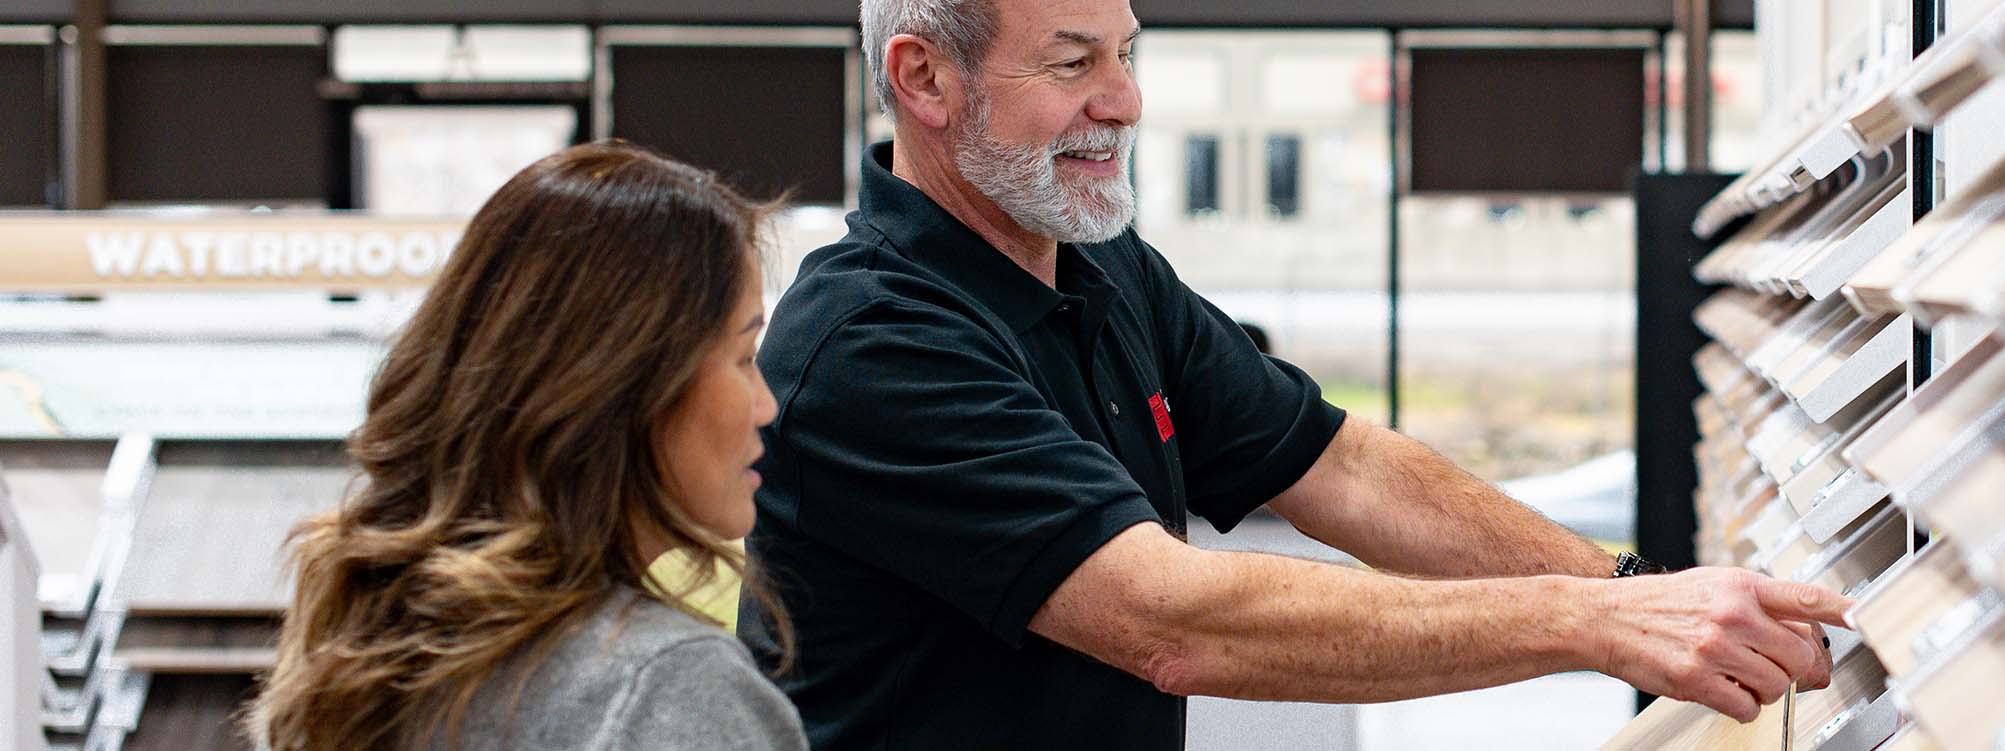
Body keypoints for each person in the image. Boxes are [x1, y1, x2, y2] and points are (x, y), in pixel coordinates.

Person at [740, 0, 1857, 747]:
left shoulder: (1105, 268)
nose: (1122, 102)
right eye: (1072, 63)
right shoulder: (873, 339)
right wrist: (1587, 623)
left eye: (1127, 56)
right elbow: (1168, 621)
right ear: (923, 78)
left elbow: (1340, 464)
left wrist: (1628, 595)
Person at [247, 142, 807, 751]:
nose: (766, 406)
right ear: (626, 381)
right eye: (743, 357)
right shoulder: (668, 690)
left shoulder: (372, 650)